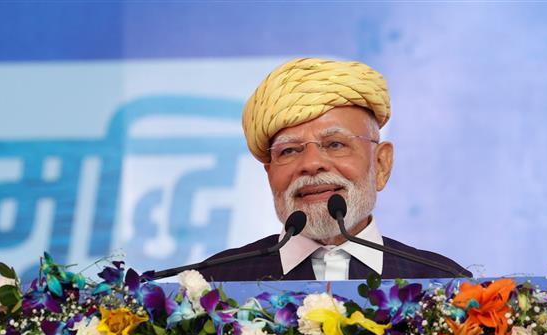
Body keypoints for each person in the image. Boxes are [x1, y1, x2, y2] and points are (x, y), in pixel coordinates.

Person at [196, 58, 471, 282]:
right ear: (269, 173)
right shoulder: (214, 283)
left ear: (381, 163)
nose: (311, 164)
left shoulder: (444, 284)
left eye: (335, 144)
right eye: (289, 150)